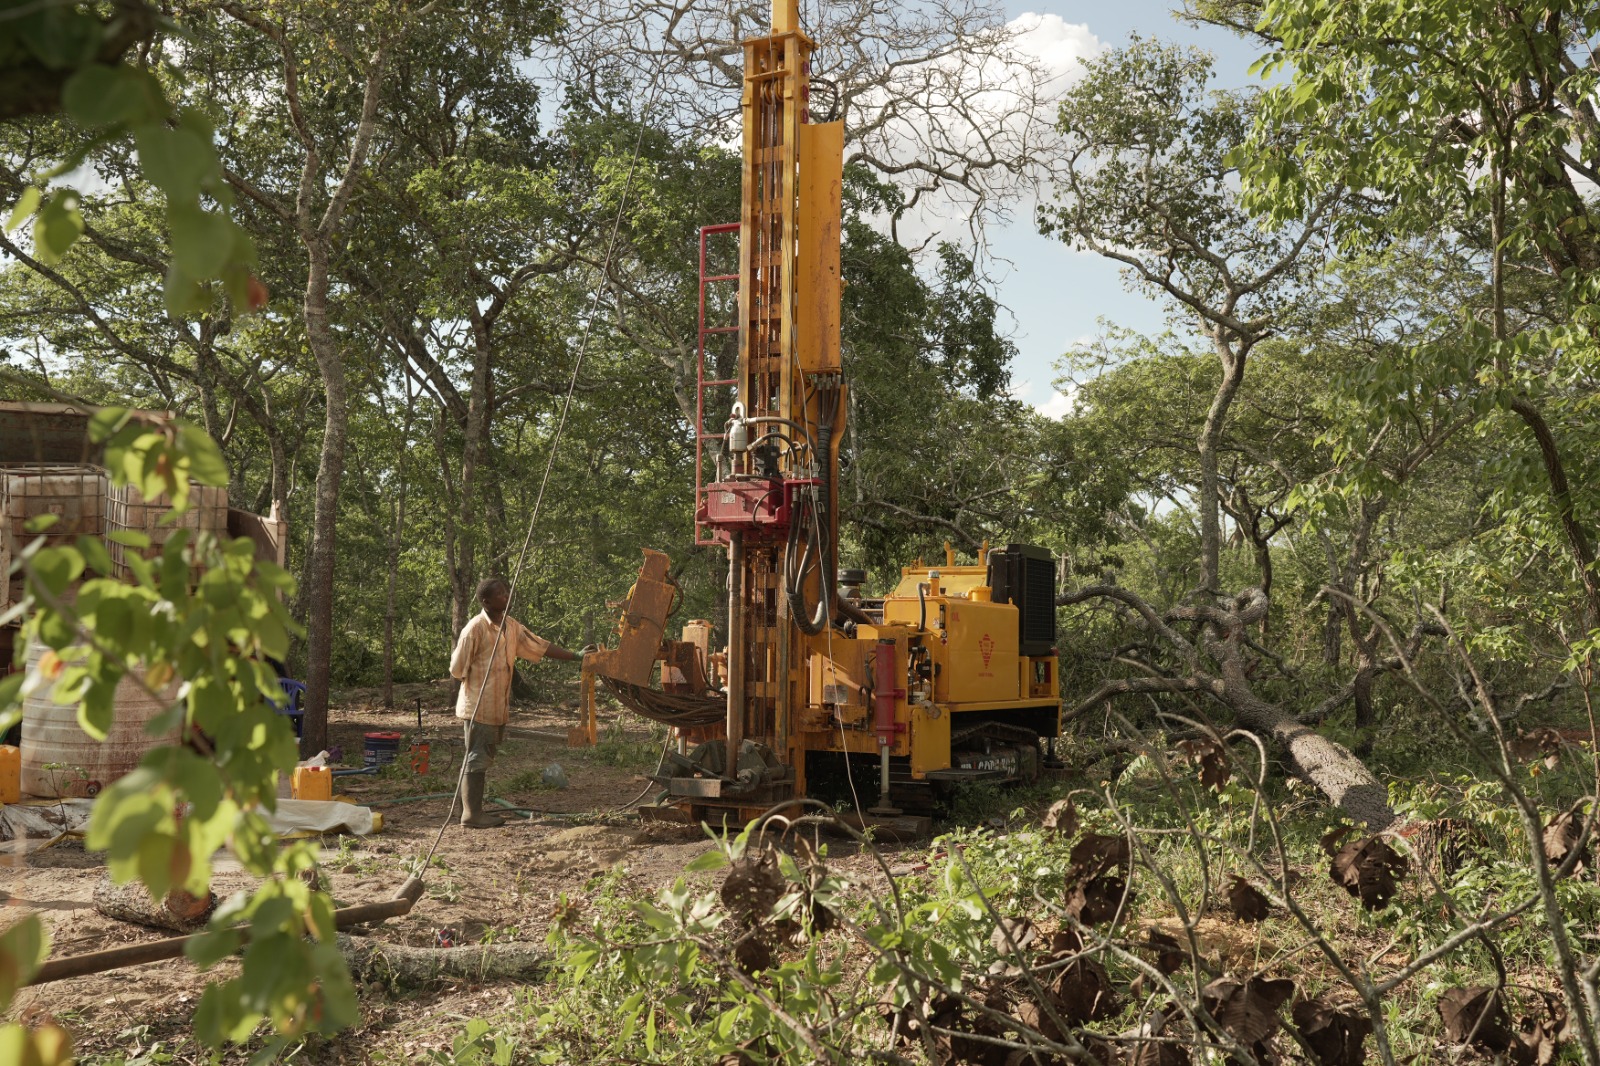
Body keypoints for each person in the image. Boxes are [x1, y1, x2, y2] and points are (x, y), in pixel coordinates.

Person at [449, 577, 582, 828]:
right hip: (479, 705)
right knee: (477, 756)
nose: (506, 596)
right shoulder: (475, 628)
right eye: (500, 594)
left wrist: (575, 656)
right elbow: (457, 669)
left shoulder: (510, 626)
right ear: (486, 602)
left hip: (497, 706)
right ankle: (471, 815)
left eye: (506, 592)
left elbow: (539, 645)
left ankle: (469, 809)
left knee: (479, 756)